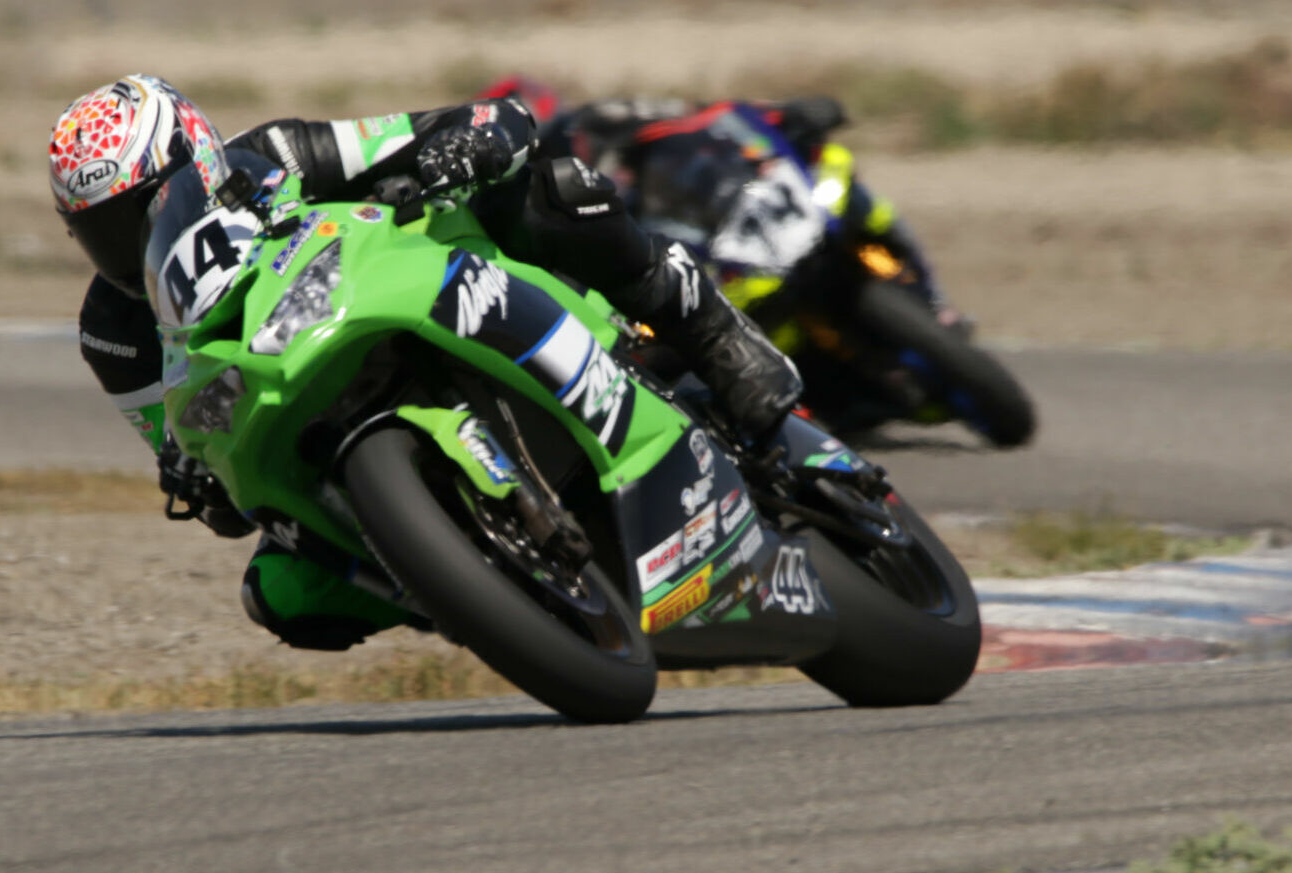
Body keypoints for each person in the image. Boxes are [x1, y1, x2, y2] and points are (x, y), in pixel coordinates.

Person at [48, 75, 804, 651]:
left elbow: (480, 122)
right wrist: (194, 480)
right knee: (279, 593)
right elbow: (182, 448)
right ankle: (479, 590)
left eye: (142, 209)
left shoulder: (275, 156)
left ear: (198, 159)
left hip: (410, 286)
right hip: (294, 408)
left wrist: (458, 145)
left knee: (555, 190)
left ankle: (716, 332)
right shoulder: (114, 332)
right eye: (99, 229)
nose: (126, 242)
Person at [528, 87, 964, 329]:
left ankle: (936, 298)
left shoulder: (688, 128)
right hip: (736, 256)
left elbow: (750, 116)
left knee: (855, 191)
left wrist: (799, 114)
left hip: (768, 204)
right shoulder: (622, 202)